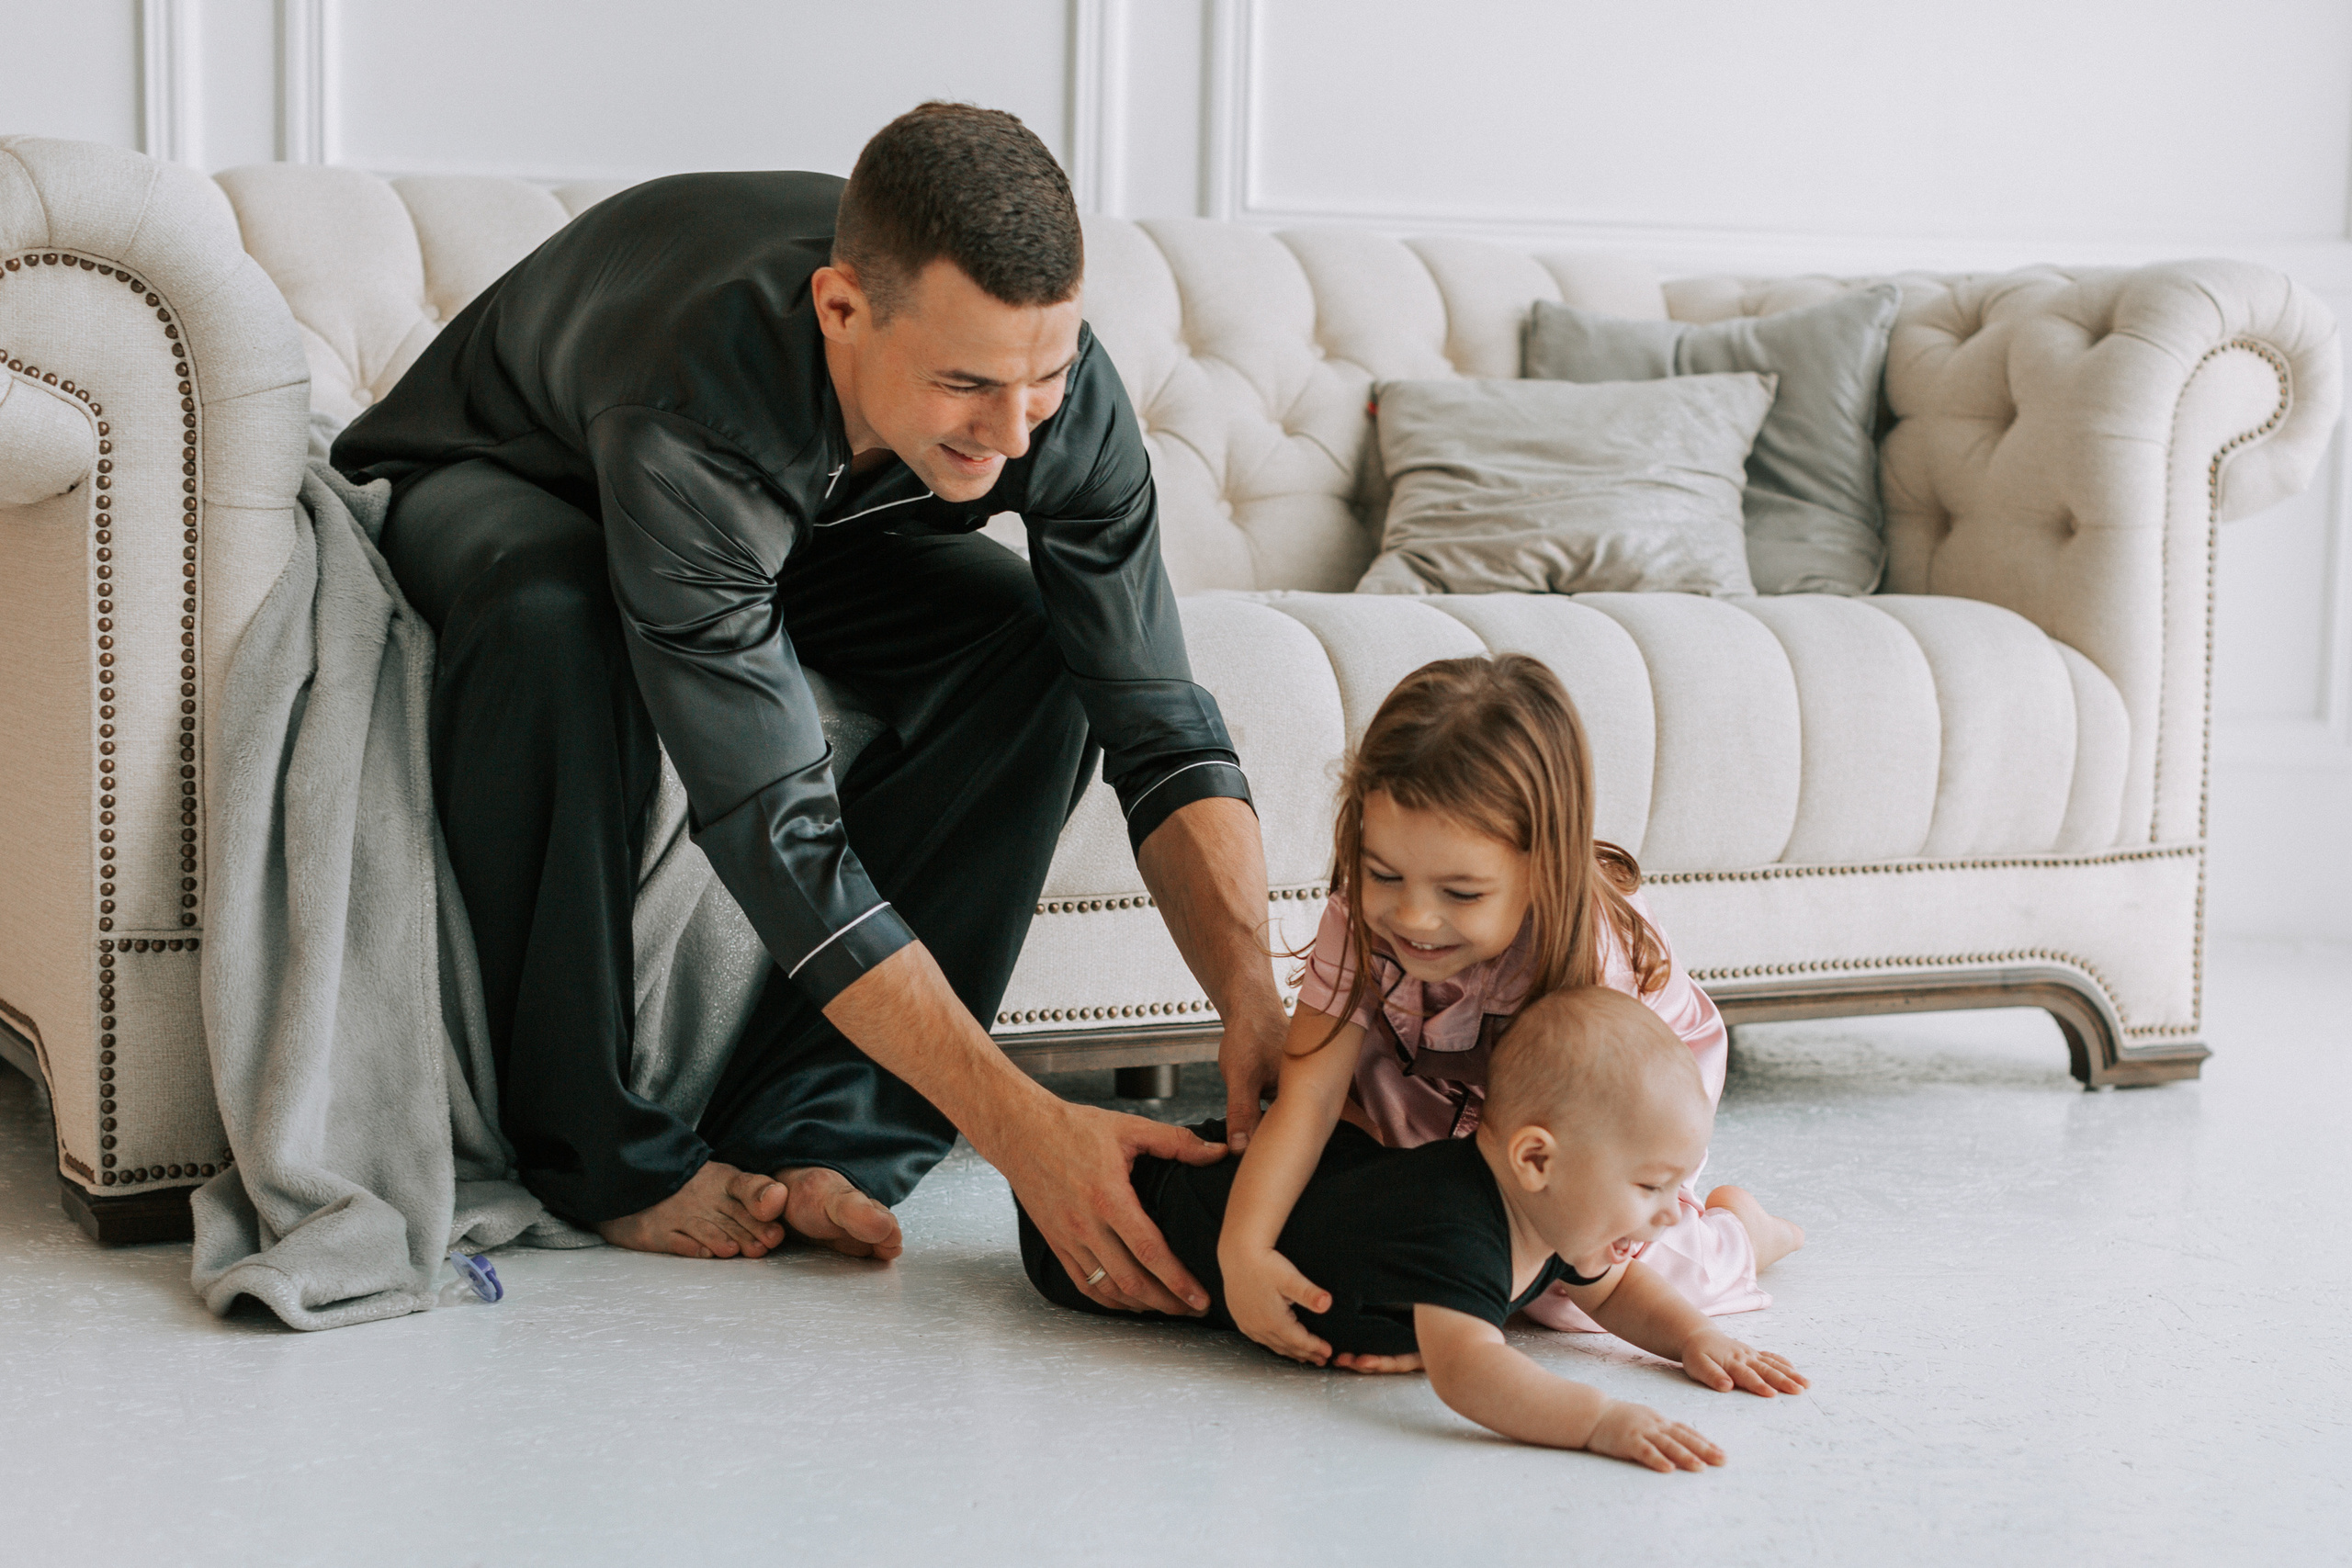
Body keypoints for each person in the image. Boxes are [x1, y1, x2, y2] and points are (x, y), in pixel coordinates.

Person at [331, 102, 1290, 1314]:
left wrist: (1254, 1004)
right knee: (555, 618)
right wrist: (1024, 1127)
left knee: (1037, 648)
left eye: (1043, 381)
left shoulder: (1048, 393)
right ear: (843, 310)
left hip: (795, 529)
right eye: (967, 385)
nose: (1010, 437)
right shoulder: (696, 401)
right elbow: (777, 829)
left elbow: (1155, 713)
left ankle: (821, 1128)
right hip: (512, 478)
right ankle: (594, 1153)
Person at [1218, 655, 1806, 1362]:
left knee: (1564, 1281)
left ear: (1542, 868)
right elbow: (1308, 1097)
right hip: (1439, 1093)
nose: (1412, 915)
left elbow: (1576, 1195)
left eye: (1461, 893)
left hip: (1616, 1114)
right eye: (1384, 873)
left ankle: (1744, 1231)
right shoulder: (1362, 918)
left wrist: (1460, 1312)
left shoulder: (1597, 957)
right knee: (1369, 1204)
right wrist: (1241, 1250)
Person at [1017, 988, 1808, 1468]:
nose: (1675, 1208)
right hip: (1105, 1224)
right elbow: (1470, 1372)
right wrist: (1599, 1419)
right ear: (1537, 1158)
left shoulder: (1550, 1212)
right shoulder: (1457, 1222)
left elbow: (1618, 1289)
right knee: (1167, 1249)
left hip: (1334, 1192)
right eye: (1652, 1185)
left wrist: (1693, 1336)